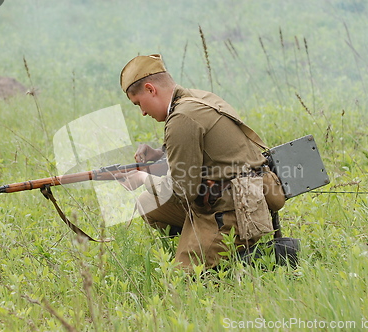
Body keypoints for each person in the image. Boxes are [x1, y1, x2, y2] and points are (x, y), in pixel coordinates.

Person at [117, 54, 286, 270]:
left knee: (186, 280)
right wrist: (159, 154)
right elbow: (201, 149)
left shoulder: (182, 118)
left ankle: (247, 261)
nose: (142, 112)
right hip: (243, 192)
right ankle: (202, 240)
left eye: (139, 103)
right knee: (148, 204)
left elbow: (182, 191)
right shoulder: (198, 99)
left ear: (151, 89)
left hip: (235, 209)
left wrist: (143, 178)